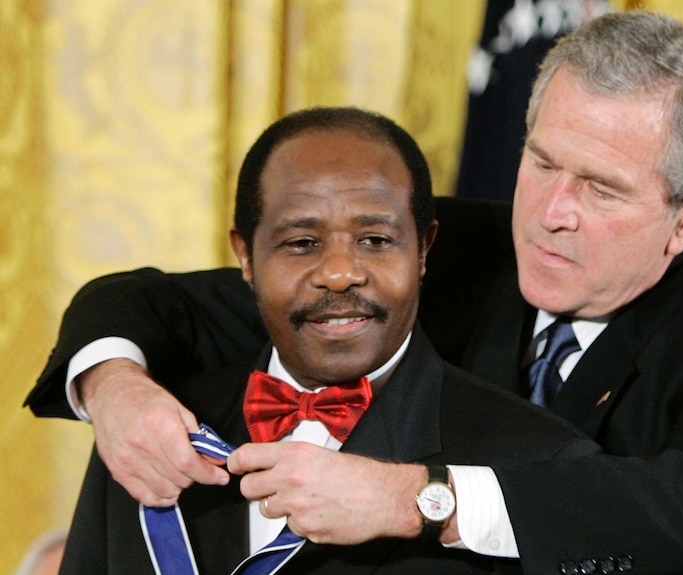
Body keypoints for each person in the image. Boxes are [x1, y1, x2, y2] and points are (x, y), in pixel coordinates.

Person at [25, 11, 683, 575]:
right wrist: (113, 383)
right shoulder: (451, 249)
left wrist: (417, 495)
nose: (550, 214)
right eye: (543, 161)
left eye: (600, 188)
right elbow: (167, 303)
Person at [54, 107, 599, 574]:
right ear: (245, 256)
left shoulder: (536, 462)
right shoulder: (143, 435)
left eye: (375, 240)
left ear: (424, 249)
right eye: (301, 242)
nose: (340, 273)